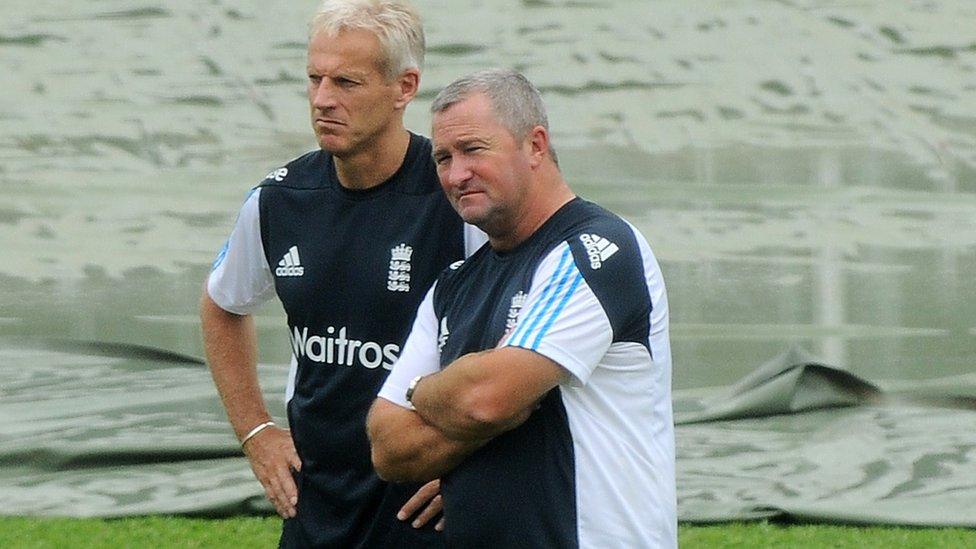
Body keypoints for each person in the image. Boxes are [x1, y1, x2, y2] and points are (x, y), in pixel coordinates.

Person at [200, 1, 483, 546]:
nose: (323, 99)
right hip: (315, 505)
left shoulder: (456, 199)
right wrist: (257, 432)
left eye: (347, 82)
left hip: (426, 513)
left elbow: (522, 346)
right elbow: (221, 304)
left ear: (404, 87)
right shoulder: (279, 200)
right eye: (314, 78)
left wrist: (479, 466)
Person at [367, 68, 677, 548]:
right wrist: (446, 395)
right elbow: (389, 449)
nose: (455, 174)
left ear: (535, 146)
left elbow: (484, 400)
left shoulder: (595, 250)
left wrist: (434, 398)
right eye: (443, 158)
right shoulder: (452, 286)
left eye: (473, 149)